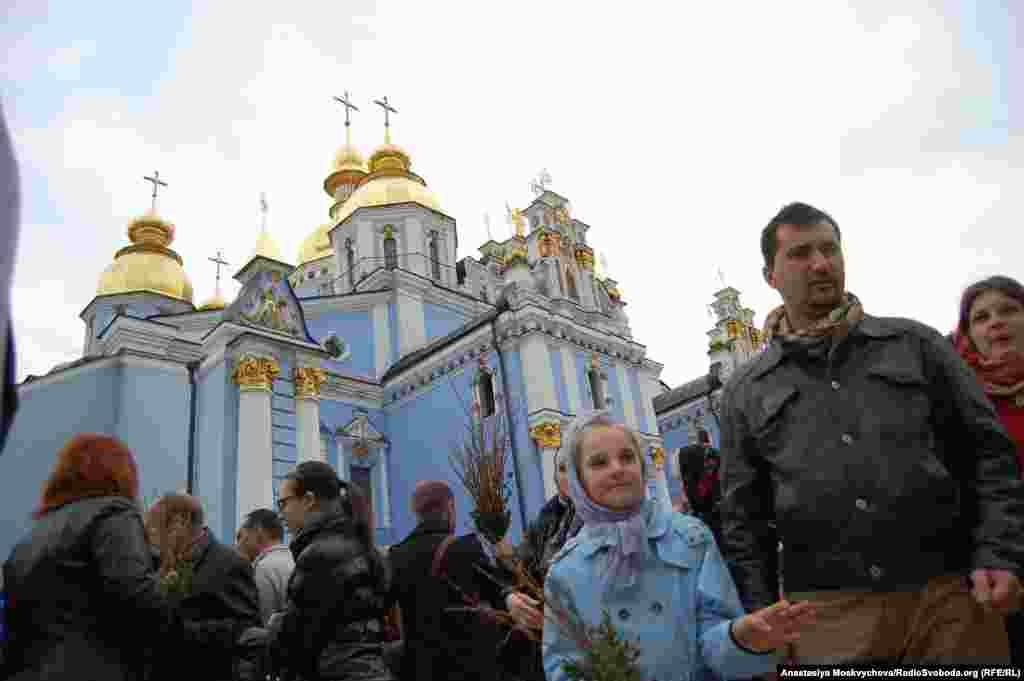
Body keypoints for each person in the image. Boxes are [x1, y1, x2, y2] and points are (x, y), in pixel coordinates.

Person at [719, 202, 1024, 664]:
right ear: (770, 276)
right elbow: (744, 516)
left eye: (829, 249)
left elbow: (988, 454)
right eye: (800, 253)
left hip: (950, 601)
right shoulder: (747, 390)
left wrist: (998, 552)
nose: (820, 263)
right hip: (827, 616)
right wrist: (763, 613)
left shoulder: (916, 345)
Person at [542, 411, 815, 681]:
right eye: (599, 463)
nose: (617, 469)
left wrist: (741, 638)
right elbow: (565, 666)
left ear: (642, 466)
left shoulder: (691, 538)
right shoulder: (566, 571)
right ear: (579, 481)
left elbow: (713, 638)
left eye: (627, 457)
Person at [2, 433, 180, 680]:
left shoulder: (35, 533)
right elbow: (139, 599)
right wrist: (166, 580)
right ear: (121, 473)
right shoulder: (114, 512)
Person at [268, 461, 394, 681]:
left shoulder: (320, 555)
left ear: (308, 500)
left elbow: (299, 638)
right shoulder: (361, 545)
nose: (280, 514)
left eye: (283, 503)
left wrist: (275, 625)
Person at [954, 274, 1024, 664]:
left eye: (1008, 310)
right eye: (981, 317)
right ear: (969, 335)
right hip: (992, 574)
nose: (995, 322)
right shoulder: (955, 399)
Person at [388, 480, 505, 681]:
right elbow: (500, 594)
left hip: (420, 669)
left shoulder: (396, 556)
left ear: (416, 513)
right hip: (469, 669)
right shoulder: (465, 548)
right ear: (450, 507)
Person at [145, 493, 261, 681]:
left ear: (180, 522)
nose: (151, 538)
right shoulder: (167, 560)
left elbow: (245, 629)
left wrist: (178, 630)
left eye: (154, 528)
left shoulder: (230, 563)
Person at [499, 448, 581, 681]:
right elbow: (519, 567)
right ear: (555, 477)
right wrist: (511, 597)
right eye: (562, 469)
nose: (569, 476)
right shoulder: (546, 518)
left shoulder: (601, 517)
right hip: (543, 637)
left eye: (574, 468)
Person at [237, 508, 294, 625]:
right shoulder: (293, 559)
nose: (238, 544)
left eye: (240, 536)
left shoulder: (264, 568)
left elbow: (263, 623)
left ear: (258, 531)